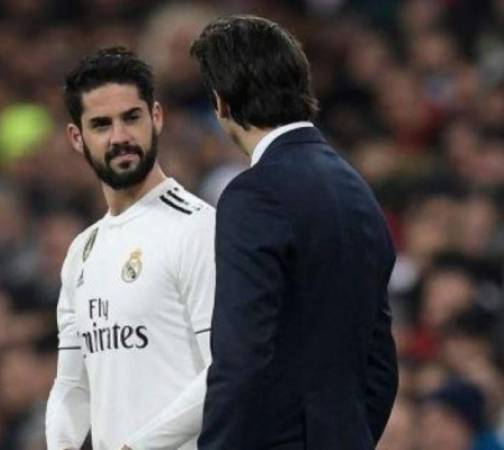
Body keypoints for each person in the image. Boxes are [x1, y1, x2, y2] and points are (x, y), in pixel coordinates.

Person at [190, 15, 399, 450]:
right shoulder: (356, 187)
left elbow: (242, 353)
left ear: (222, 102)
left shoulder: (253, 194)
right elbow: (380, 361)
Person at [45, 47, 215, 450]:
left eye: (131, 118)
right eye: (101, 124)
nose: (120, 137)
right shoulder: (81, 252)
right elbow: (71, 385)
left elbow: (225, 369)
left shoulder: (198, 227)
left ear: (156, 117)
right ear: (77, 137)